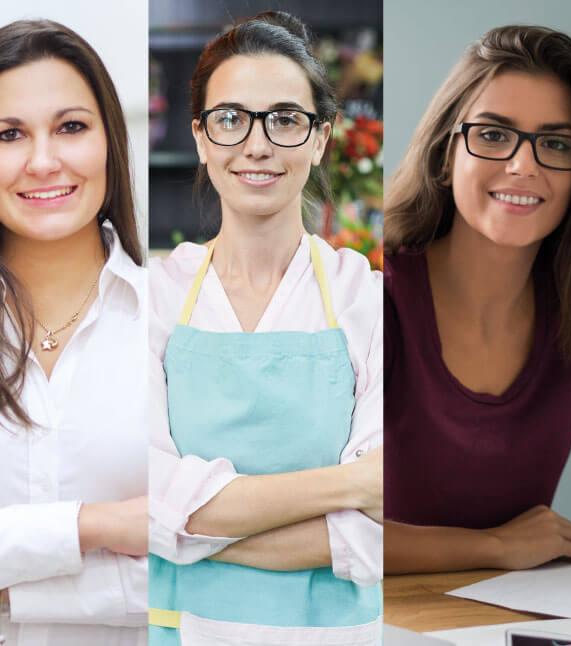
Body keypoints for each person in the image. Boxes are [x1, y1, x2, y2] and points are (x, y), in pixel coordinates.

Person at [0, 20, 149, 645]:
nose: (44, 161)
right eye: (9, 134)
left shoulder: (177, 320)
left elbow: (211, 552)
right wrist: (100, 526)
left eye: (71, 127)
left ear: (108, 143)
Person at [146, 11, 383, 645]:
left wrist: (185, 531)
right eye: (230, 119)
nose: (257, 145)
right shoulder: (154, 299)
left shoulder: (368, 299)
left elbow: (380, 532)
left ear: (320, 138)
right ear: (201, 138)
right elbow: (140, 499)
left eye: (284, 119)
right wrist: (353, 484)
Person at [382, 25, 571, 574]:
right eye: (492, 135)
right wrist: (498, 548)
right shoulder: (379, 295)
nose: (523, 166)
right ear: (445, 155)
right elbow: (326, 531)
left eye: (555, 143)